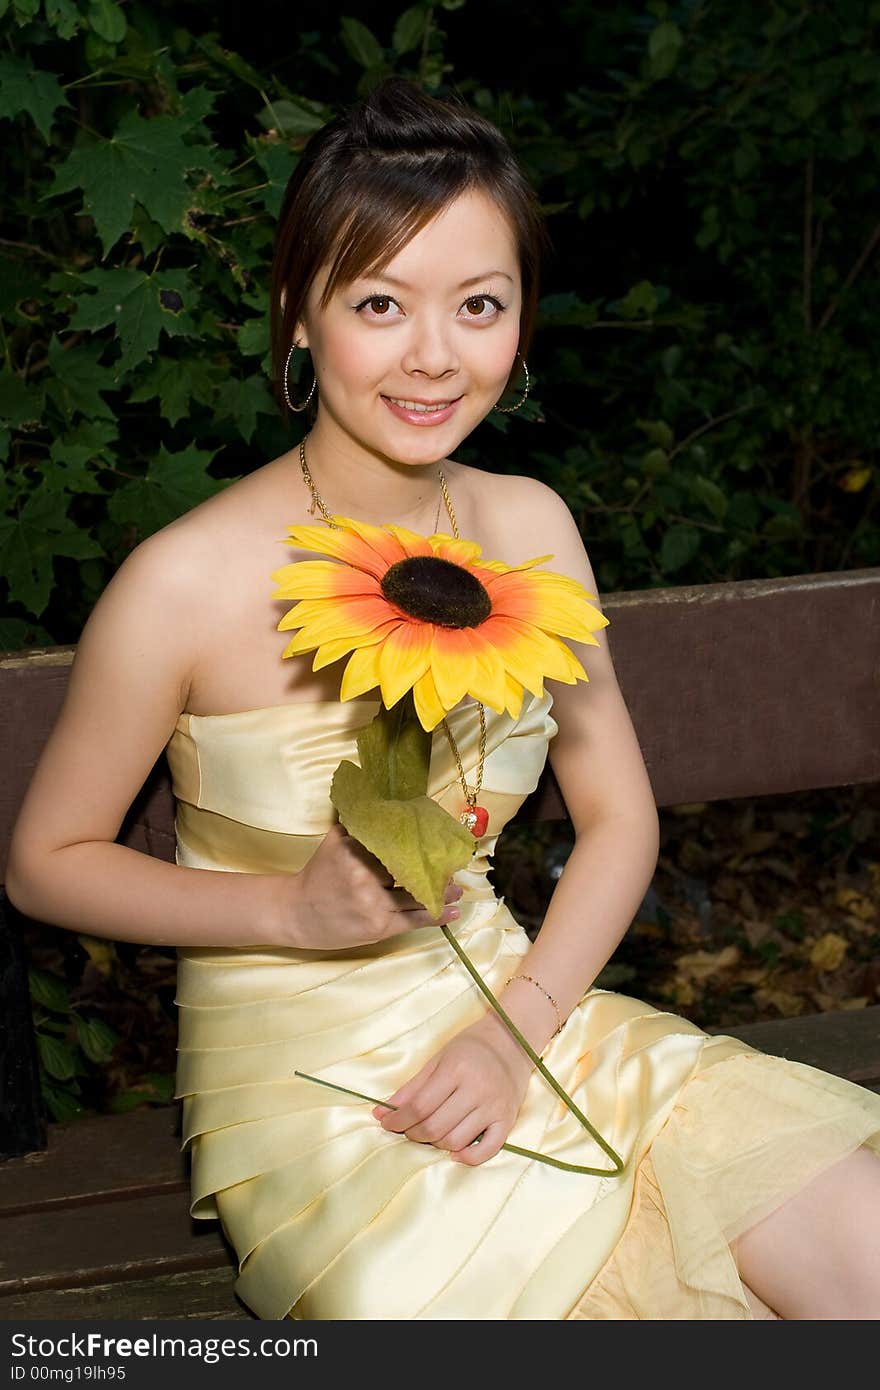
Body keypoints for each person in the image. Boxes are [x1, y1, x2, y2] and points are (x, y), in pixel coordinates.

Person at [7, 77, 880, 1322]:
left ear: (521, 322)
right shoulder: (185, 583)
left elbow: (618, 819)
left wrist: (511, 1036)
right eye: (378, 303)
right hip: (322, 1106)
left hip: (530, 1019)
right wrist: (293, 912)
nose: (433, 354)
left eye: (479, 305)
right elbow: (46, 861)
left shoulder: (527, 525)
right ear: (297, 318)